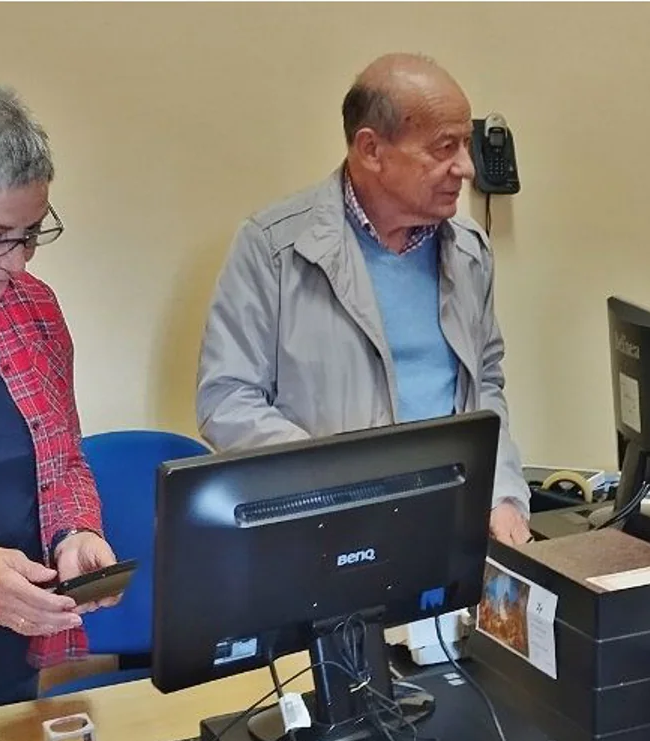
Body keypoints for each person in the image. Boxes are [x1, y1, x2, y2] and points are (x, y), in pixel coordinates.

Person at [196, 54, 531, 544]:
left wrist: (502, 494)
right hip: (324, 539)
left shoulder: (468, 250)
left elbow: (486, 385)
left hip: (448, 529)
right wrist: (338, 487)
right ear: (371, 149)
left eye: (467, 143)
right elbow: (225, 400)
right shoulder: (275, 248)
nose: (466, 166)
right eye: (444, 148)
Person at [0, 79, 119, 726]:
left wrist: (79, 533)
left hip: (6, 656)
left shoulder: (35, 310)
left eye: (32, 232)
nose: (17, 262)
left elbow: (63, 462)